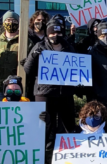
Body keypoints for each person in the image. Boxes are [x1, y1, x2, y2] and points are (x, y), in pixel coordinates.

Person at [23, 19, 77, 154]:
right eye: (52, 33)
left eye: (58, 32)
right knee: (45, 125)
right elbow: (28, 70)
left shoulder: (69, 47)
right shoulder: (39, 47)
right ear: (47, 34)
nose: (55, 35)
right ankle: (44, 154)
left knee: (68, 123)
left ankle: (68, 153)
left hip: (65, 93)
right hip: (44, 93)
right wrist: (34, 56)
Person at [0, 11, 21, 101]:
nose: (11, 23)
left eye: (14, 21)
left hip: (19, 88)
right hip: (1, 87)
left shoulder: (24, 42)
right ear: (3, 23)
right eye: (8, 20)